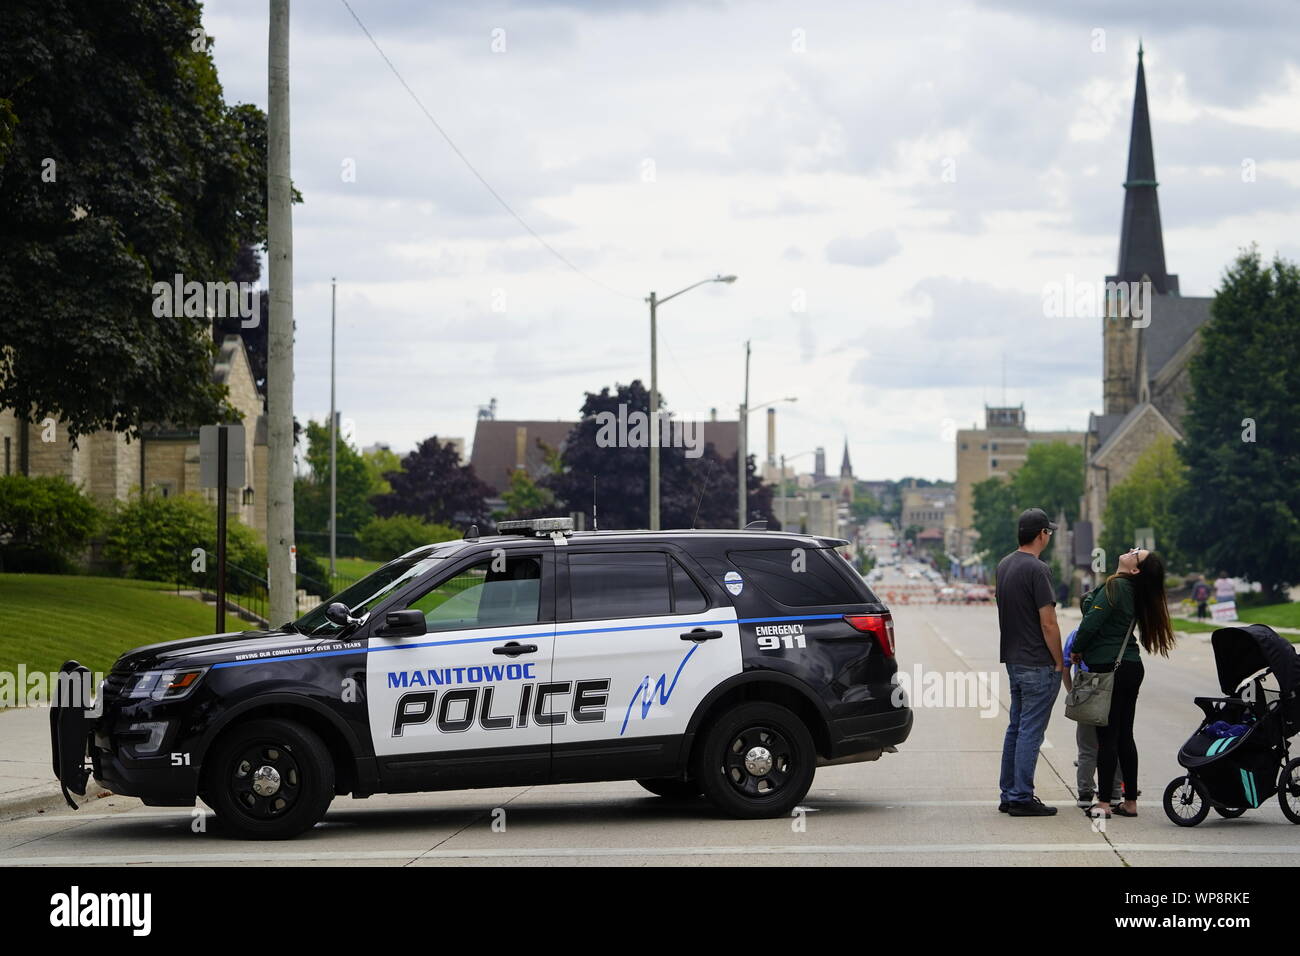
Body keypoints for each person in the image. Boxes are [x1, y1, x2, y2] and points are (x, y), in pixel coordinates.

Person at [1070, 548, 1177, 819]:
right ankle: (1129, 802)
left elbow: (1092, 621)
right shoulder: (1133, 590)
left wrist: (1077, 648)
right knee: (1125, 735)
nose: (1130, 551)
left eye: (1136, 554)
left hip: (1109, 668)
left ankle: (1104, 803)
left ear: (1135, 570)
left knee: (1107, 738)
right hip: (1131, 666)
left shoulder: (1116, 586)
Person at [996, 508, 1066, 817]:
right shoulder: (1038, 570)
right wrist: (1060, 661)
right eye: (1048, 532)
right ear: (1041, 534)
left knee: (1016, 727)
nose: (1049, 536)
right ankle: (1022, 796)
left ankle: (1009, 793)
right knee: (1030, 732)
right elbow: (1048, 622)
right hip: (1038, 661)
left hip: (1013, 658)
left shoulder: (1004, 565)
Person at [1063, 624, 1123, 809]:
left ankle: (1085, 792)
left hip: (1086, 691)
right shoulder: (1115, 632)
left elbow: (1065, 667)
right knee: (1114, 743)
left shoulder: (1076, 635)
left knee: (1087, 747)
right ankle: (1114, 792)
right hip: (1112, 691)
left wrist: (1073, 693)